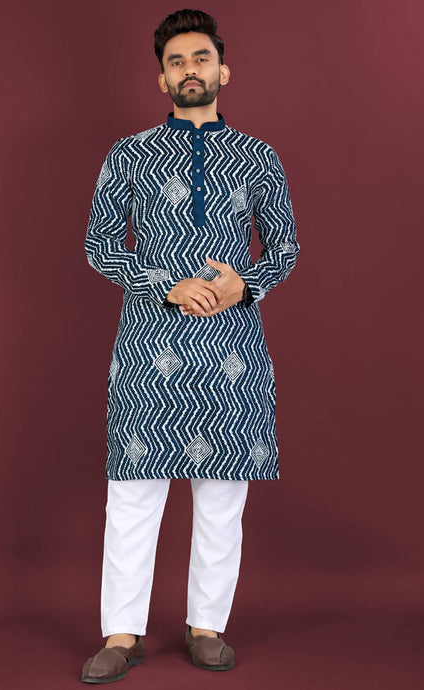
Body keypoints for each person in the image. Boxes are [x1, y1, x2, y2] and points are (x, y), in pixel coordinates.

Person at [81, 8, 300, 683]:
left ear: (223, 70)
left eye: (200, 58)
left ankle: (207, 627)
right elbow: (98, 245)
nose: (189, 70)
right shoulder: (129, 155)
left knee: (223, 496)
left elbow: (286, 248)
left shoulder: (259, 157)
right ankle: (122, 634)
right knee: (132, 495)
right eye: (176, 61)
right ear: (162, 80)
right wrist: (166, 284)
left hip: (233, 349)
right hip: (149, 347)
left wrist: (245, 285)